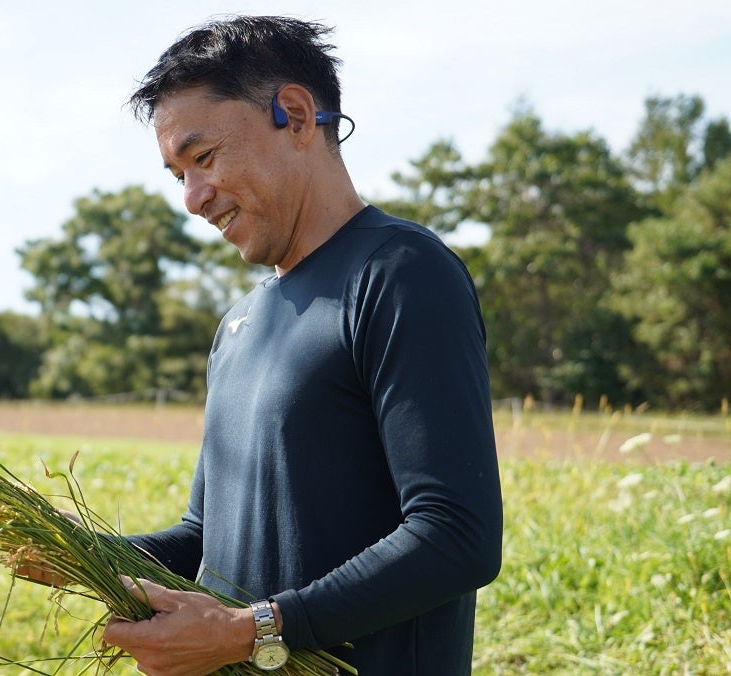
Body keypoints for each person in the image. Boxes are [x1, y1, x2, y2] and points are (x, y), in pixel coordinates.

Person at [98, 15, 504, 675]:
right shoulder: (239, 325)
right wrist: (69, 547)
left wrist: (250, 631)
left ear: (294, 114)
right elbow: (204, 538)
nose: (193, 199)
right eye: (178, 175)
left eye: (204, 158)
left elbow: (456, 537)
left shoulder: (401, 272)